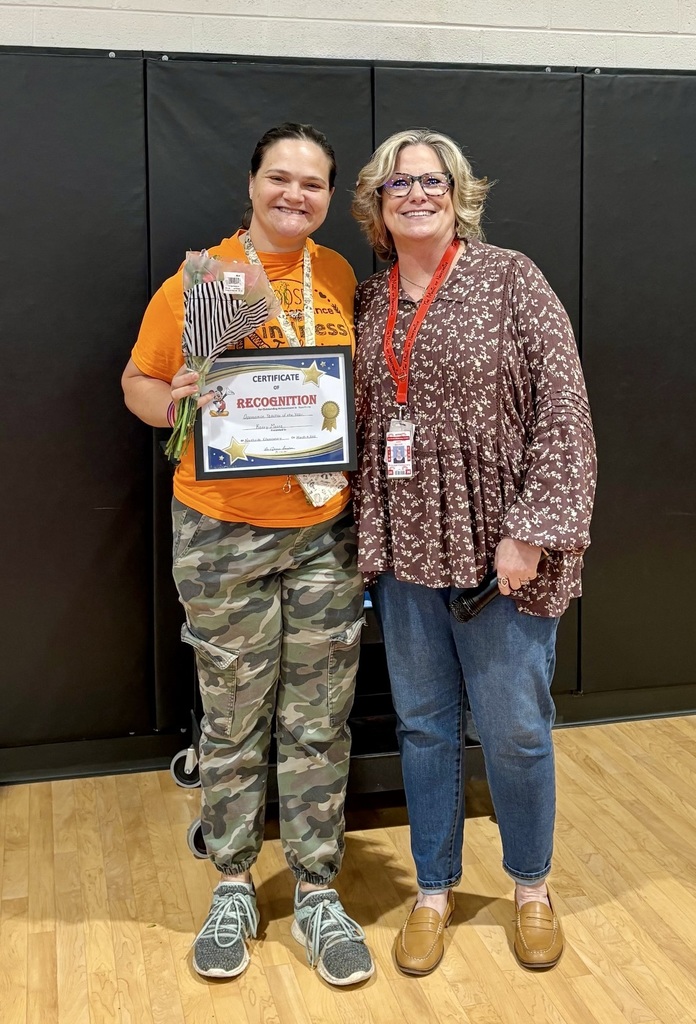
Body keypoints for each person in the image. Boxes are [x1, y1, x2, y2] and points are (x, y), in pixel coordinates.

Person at [122, 123, 373, 987]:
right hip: (222, 527)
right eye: (280, 178)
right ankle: (232, 882)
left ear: (329, 196)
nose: (295, 195)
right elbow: (138, 382)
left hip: (323, 533)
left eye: (312, 183)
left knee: (318, 716)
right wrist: (172, 402)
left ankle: (315, 889)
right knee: (233, 715)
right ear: (254, 183)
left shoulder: (337, 273)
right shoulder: (203, 281)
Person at [351, 128, 596, 974]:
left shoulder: (510, 278)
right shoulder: (371, 300)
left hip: (503, 556)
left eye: (432, 181)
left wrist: (529, 531)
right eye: (398, 184)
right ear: (377, 206)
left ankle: (531, 886)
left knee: (517, 732)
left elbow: (566, 413)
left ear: (459, 194)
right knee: (422, 726)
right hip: (409, 555)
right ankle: (432, 888)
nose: (416, 194)